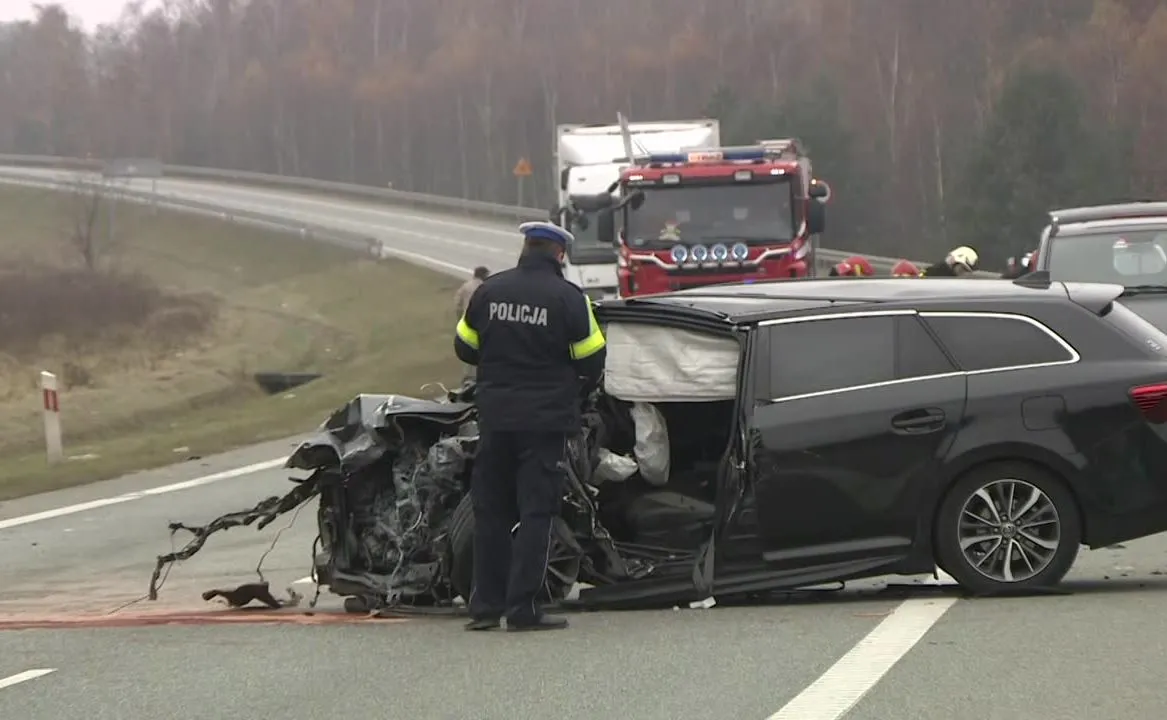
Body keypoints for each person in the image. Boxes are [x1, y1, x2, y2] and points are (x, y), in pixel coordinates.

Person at [453, 221, 607, 633]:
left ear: (525, 248)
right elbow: (592, 359)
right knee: (537, 513)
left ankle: (484, 607)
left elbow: (464, 346)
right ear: (560, 255)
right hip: (544, 423)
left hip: (496, 420)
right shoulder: (570, 299)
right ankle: (522, 609)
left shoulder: (489, 291)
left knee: (491, 513)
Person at [454, 266, 490, 382]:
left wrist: (460, 320)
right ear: (484, 275)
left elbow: (458, 304)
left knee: (468, 353)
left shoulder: (466, 286)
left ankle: (467, 379)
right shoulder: (486, 287)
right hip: (482, 323)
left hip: (467, 323)